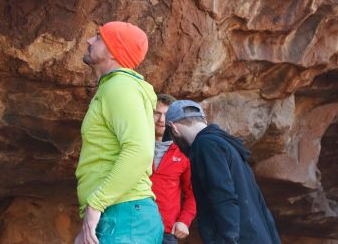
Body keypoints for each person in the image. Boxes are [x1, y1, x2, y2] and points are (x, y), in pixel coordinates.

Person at [74, 21, 164, 244]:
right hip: (120, 216)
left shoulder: (120, 86)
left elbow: (139, 151)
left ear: (114, 51)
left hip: (123, 216)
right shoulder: (114, 87)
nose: (89, 41)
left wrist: (96, 205)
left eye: (98, 37)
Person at [163, 100, 281, 243]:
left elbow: (223, 197)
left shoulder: (205, 145)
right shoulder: (227, 145)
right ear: (204, 120)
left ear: (173, 128)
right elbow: (260, 204)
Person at [151, 94, 196, 243]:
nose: (161, 120)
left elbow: (192, 193)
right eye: (157, 113)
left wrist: (184, 221)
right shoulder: (134, 146)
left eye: (166, 115)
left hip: (166, 231)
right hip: (134, 227)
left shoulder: (184, 151)